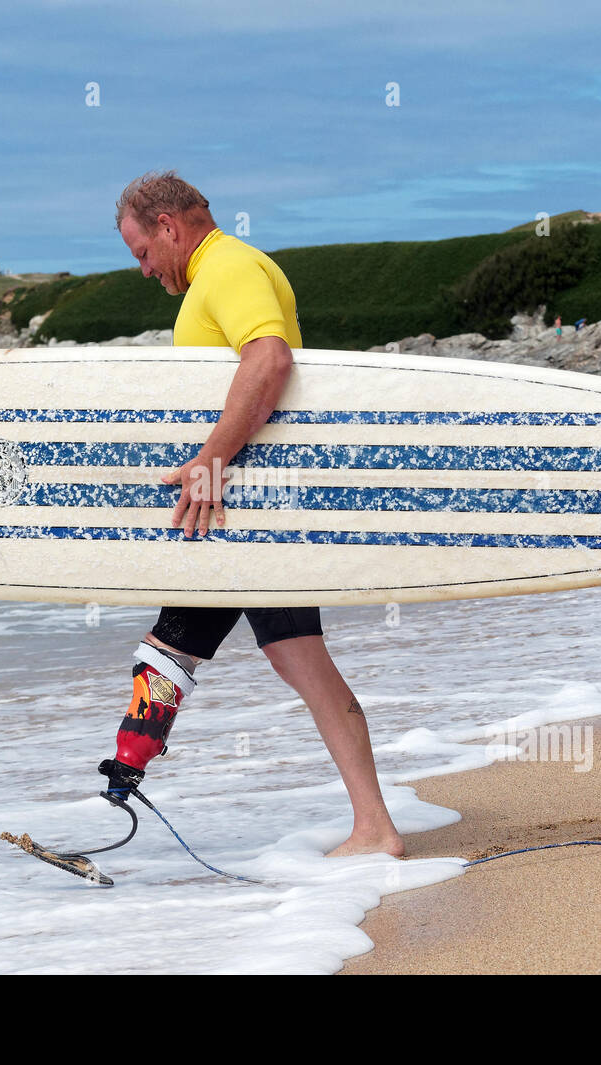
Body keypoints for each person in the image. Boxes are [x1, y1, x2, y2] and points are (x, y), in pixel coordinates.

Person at [104, 171, 404, 858]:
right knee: (290, 658)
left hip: (242, 509)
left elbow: (269, 360)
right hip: (246, 509)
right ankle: (375, 826)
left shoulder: (229, 267)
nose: (144, 270)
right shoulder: (220, 272)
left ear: (169, 226)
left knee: (177, 646)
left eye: (142, 252)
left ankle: (120, 784)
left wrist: (209, 458)